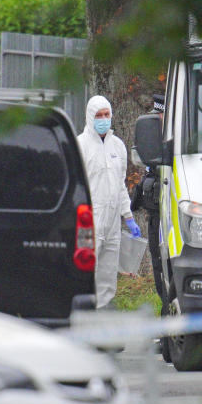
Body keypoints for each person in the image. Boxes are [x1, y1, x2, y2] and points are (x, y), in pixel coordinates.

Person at [77, 95, 141, 309]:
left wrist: (128, 217)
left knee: (107, 273)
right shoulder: (81, 145)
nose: (104, 119)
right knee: (86, 272)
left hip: (112, 222)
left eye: (107, 115)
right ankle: (83, 316)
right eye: (99, 115)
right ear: (89, 117)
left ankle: (103, 317)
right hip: (88, 221)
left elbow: (120, 184)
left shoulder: (118, 146)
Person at [130, 93, 166, 300]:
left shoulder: (180, 131)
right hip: (156, 207)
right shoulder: (149, 134)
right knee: (157, 261)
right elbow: (139, 157)